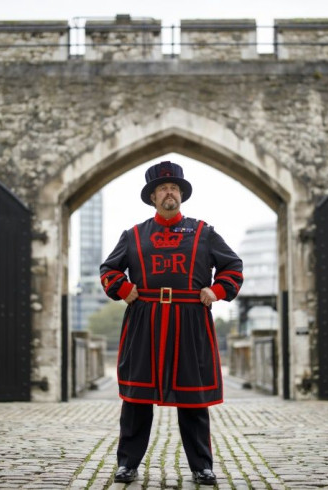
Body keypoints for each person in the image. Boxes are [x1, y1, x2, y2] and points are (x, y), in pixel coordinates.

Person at [99, 161, 244, 486]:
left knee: (194, 399)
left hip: (189, 321)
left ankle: (201, 466)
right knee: (136, 399)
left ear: (181, 195)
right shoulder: (134, 235)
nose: (169, 193)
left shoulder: (204, 232)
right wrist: (123, 288)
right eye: (163, 189)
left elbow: (233, 266)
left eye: (174, 188)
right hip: (145, 321)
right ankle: (127, 464)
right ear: (153, 197)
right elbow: (108, 269)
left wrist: (216, 290)